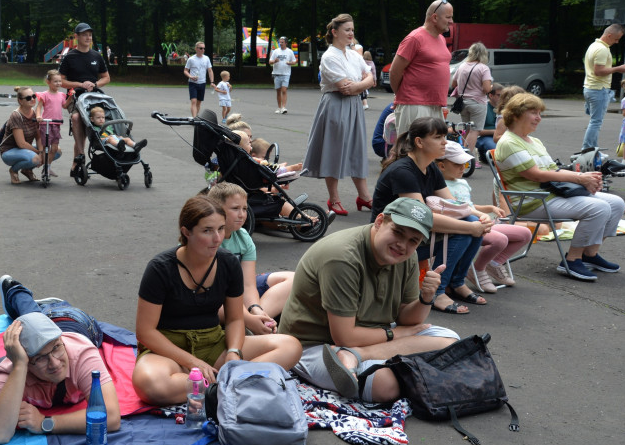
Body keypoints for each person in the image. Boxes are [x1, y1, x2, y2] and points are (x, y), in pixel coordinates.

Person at [278, 198, 460, 401]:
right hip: (316, 346)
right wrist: (397, 334)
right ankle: (363, 358)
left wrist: (426, 298)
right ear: (380, 221)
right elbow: (345, 337)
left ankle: (357, 356)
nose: (403, 245)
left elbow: (409, 320)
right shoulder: (342, 257)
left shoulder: (408, 257)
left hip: (368, 339)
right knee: (385, 385)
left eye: (413, 240)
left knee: (451, 340)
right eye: (398, 232)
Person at [131, 196, 302, 405]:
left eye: (221, 229)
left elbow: (235, 319)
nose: (218, 238)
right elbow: (145, 332)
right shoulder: (161, 268)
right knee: (151, 384)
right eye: (207, 231)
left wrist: (233, 352)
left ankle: (216, 386)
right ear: (186, 232)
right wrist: (192, 361)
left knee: (290, 346)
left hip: (214, 343)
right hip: (170, 350)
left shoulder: (228, 262)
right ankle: (237, 384)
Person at [494, 93, 625, 281]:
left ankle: (589, 255)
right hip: (531, 201)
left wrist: (587, 177)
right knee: (599, 207)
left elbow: (553, 170)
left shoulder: (533, 141)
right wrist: (579, 178)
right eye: (534, 113)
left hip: (551, 194)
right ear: (515, 115)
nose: (539, 117)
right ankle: (572, 260)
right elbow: (536, 175)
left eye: (540, 113)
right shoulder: (508, 143)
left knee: (617, 203)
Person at [372, 117, 492, 314]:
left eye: (445, 136)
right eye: (438, 137)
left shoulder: (430, 168)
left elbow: (454, 204)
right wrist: (471, 227)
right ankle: (437, 291)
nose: (445, 142)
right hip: (391, 238)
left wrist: (480, 216)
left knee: (472, 222)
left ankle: (456, 281)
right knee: (464, 231)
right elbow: (421, 218)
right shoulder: (403, 171)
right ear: (419, 142)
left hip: (412, 235)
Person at [0, 296, 120, 445]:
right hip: (48, 329)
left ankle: (16, 291)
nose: (55, 363)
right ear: (26, 362)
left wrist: (45, 423)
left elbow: (111, 417)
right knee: (30, 321)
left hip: (71, 321)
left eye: (57, 348)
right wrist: (19, 366)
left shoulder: (82, 354)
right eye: (40, 358)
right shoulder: (10, 370)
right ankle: (22, 300)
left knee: (32, 313)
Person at [303, 14, 376, 216]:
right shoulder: (329, 56)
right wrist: (364, 83)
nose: (351, 33)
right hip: (335, 105)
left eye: (352, 30)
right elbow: (344, 88)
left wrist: (360, 84)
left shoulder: (354, 55)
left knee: (357, 150)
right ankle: (333, 199)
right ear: (334, 32)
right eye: (347, 30)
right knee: (333, 151)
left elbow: (371, 77)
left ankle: (365, 196)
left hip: (354, 106)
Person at [436, 141, 530, 292]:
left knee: (524, 234)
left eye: (465, 164)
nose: (463, 168)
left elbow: (470, 205)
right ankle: (478, 269)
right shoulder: (440, 186)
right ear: (442, 166)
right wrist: (480, 214)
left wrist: (489, 208)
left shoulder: (461, 182)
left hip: (479, 219)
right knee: (500, 239)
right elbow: (459, 208)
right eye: (458, 164)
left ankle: (493, 264)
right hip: (466, 226)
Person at [206, 183, 295, 333]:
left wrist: (256, 309)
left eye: (245, 209)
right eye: (235, 209)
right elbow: (211, 291)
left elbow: (248, 285)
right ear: (216, 209)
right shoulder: (205, 238)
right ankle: (247, 323)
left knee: (293, 279)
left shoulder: (243, 236)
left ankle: (258, 321)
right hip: (213, 295)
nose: (242, 214)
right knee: (213, 303)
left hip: (239, 291)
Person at [388, 0, 454, 135]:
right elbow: (394, 71)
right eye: (448, 17)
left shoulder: (440, 38)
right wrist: (403, 95)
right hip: (414, 105)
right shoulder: (415, 38)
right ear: (435, 17)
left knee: (433, 151)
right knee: (411, 150)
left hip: (435, 105)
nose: (451, 21)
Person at [57, 23, 110, 173]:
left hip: (93, 96)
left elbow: (106, 78)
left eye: (90, 35)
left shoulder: (96, 56)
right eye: (84, 34)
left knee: (97, 122)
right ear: (77, 37)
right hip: (74, 96)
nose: (88, 37)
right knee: (76, 118)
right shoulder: (69, 57)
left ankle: (77, 161)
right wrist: (80, 84)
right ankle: (80, 156)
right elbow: (61, 81)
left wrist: (94, 84)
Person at [581, 23, 625, 150]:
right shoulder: (602, 49)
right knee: (596, 122)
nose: (617, 42)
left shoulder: (593, 45)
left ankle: (591, 148)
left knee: (593, 119)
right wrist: (618, 69)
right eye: (616, 39)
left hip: (589, 87)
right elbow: (599, 71)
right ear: (609, 35)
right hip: (598, 89)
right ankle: (588, 149)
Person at [450, 42, 494, 155]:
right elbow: (487, 89)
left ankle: (461, 154)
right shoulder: (483, 68)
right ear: (484, 54)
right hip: (478, 103)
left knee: (467, 129)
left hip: (463, 103)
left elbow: (454, 84)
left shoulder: (462, 66)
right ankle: (467, 157)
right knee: (475, 130)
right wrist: (491, 86)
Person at [0, 86, 44, 183]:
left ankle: (27, 169)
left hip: (25, 150)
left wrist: (42, 152)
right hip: (9, 151)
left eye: (34, 96)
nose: (32, 99)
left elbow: (38, 137)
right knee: (36, 158)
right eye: (28, 98)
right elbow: (21, 143)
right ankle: (13, 170)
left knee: (54, 151)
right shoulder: (16, 116)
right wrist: (38, 153)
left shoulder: (35, 114)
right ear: (20, 101)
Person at [35, 69, 67, 176]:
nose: (58, 83)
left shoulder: (62, 95)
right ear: (49, 82)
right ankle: (46, 167)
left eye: (60, 81)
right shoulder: (44, 95)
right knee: (46, 147)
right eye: (55, 81)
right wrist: (39, 116)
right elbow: (38, 107)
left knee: (54, 148)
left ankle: (48, 166)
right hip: (45, 124)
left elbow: (65, 106)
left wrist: (71, 96)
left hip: (56, 124)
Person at [184, 41, 214, 117]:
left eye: (204, 48)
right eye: (201, 48)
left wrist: (212, 81)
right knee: (193, 101)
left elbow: (210, 70)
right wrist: (190, 76)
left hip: (202, 83)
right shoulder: (191, 59)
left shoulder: (206, 58)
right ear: (196, 49)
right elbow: (185, 71)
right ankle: (194, 119)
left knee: (199, 102)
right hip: (193, 83)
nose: (202, 50)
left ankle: (196, 117)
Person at [474, 83, 504, 160]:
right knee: (498, 151)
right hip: (484, 137)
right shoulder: (483, 108)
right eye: (499, 95)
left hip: (500, 137)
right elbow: (476, 131)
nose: (502, 98)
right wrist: (495, 131)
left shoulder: (505, 108)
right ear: (490, 96)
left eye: (503, 95)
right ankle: (483, 153)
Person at [268, 36, 297, 114]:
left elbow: (294, 61)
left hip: (286, 74)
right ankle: (279, 107)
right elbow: (270, 62)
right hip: (276, 73)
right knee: (278, 91)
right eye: (280, 42)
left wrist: (289, 63)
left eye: (282, 42)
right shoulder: (276, 51)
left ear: (286, 43)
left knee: (284, 90)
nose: (280, 43)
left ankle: (283, 107)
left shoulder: (290, 51)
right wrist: (274, 61)